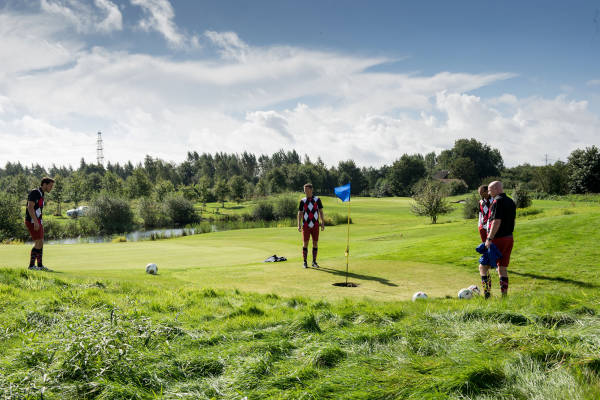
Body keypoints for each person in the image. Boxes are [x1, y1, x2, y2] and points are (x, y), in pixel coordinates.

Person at [482, 180, 516, 297]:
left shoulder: (497, 201)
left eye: (490, 190)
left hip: (497, 239)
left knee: (483, 266)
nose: (489, 192)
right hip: (509, 238)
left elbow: (496, 221)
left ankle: (487, 295)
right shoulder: (511, 201)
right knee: (502, 268)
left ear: (496, 189)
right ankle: (504, 297)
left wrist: (489, 238)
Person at [25, 177, 55, 271]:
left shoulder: (41, 193)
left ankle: (40, 266)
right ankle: (31, 266)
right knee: (38, 242)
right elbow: (30, 207)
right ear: (44, 184)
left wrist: (39, 221)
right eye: (50, 186)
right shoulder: (35, 192)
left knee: (41, 242)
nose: (51, 188)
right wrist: (36, 221)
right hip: (32, 221)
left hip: (38, 221)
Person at [297, 183, 324, 268]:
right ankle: (305, 262)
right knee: (305, 243)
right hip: (306, 225)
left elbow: (321, 211)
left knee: (315, 243)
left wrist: (322, 222)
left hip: (315, 225)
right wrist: (299, 224)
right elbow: (300, 213)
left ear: (311, 190)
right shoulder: (303, 201)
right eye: (304, 190)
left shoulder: (317, 200)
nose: (305, 191)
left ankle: (314, 262)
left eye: (306, 190)